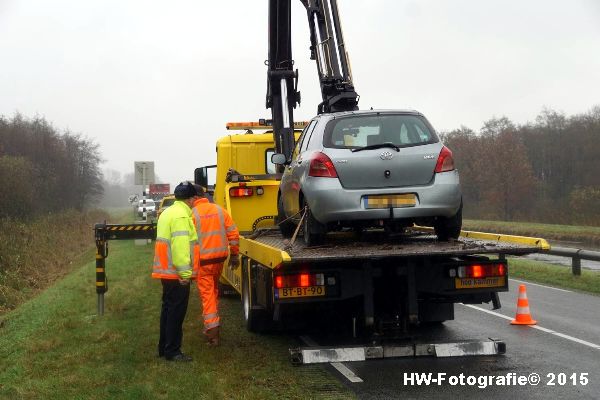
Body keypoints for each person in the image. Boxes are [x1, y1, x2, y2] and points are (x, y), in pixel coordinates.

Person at [152, 181, 200, 361]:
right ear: (191, 199)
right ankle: (173, 351)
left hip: (167, 271)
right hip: (176, 273)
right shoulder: (181, 216)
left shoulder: (168, 212)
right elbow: (180, 248)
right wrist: (185, 274)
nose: (195, 202)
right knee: (176, 313)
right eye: (194, 198)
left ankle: (164, 348)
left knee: (167, 309)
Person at [191, 184, 239, 346]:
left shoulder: (192, 214)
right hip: (219, 260)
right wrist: (234, 255)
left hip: (203, 262)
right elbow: (233, 233)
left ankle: (212, 333)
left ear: (195, 198)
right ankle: (212, 325)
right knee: (214, 291)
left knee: (207, 295)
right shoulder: (219, 210)